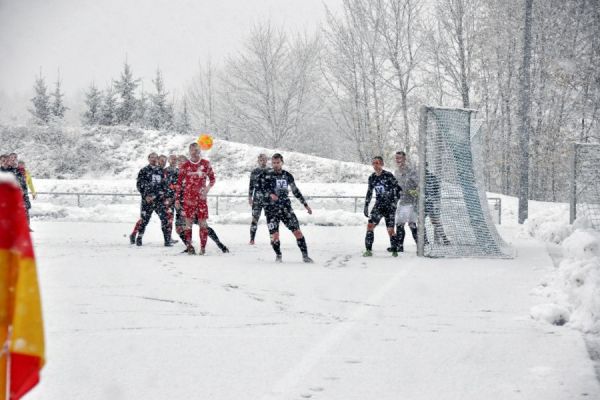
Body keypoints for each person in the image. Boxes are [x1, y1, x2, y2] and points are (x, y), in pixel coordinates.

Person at [260, 153, 313, 263]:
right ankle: (278, 256)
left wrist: (305, 205)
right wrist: (270, 194)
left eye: (278, 163)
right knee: (275, 236)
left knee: (298, 232)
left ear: (282, 162)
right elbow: (260, 190)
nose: (275, 165)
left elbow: (295, 191)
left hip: (286, 209)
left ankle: (305, 256)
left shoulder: (287, 175)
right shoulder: (266, 175)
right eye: (273, 163)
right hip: (271, 210)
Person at [174, 155, 229, 254]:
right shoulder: (176, 174)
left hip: (194, 203)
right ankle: (189, 246)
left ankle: (219, 244)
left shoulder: (192, 172)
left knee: (203, 226)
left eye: (182, 162)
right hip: (182, 206)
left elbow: (204, 183)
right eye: (178, 163)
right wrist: (175, 200)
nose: (180, 164)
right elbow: (172, 189)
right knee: (179, 228)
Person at [175, 143, 215, 255]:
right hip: (188, 199)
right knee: (188, 224)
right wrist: (177, 199)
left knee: (203, 224)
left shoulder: (206, 164)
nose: (195, 152)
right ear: (189, 151)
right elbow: (178, 184)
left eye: (197, 150)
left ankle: (203, 248)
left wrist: (207, 189)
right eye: (192, 150)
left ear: (200, 151)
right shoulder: (185, 166)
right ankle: (189, 247)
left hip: (201, 200)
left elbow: (212, 179)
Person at [363, 156, 402, 257]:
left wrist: (394, 202)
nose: (375, 165)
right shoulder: (372, 177)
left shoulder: (388, 175)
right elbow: (369, 192)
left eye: (377, 163)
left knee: (390, 230)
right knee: (370, 226)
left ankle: (394, 251)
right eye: (374, 163)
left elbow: (398, 189)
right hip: (379, 206)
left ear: (382, 164)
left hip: (389, 206)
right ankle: (368, 250)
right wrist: (366, 205)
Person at [132, 152, 171, 246]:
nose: (153, 159)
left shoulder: (161, 171)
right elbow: (139, 185)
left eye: (155, 157)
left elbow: (165, 185)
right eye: (151, 157)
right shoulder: (144, 170)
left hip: (159, 200)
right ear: (148, 159)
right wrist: (146, 196)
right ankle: (139, 238)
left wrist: (164, 195)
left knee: (165, 219)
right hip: (147, 201)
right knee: (144, 220)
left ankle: (167, 241)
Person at [391, 151, 419, 253]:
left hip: (411, 202)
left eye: (400, 158)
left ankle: (420, 246)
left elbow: (418, 184)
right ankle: (400, 246)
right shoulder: (396, 172)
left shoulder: (411, 171)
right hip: (402, 202)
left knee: (410, 224)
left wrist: (415, 192)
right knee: (400, 224)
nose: (398, 160)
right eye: (396, 158)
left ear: (404, 159)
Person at [424, 168, 450, 245]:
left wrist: (432, 199)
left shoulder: (431, 177)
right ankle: (425, 240)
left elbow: (436, 189)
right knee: (421, 222)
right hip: (423, 203)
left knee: (435, 221)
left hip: (429, 203)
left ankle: (444, 238)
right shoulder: (418, 176)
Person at [248, 153, 269, 245]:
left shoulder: (270, 171)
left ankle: (273, 238)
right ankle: (252, 239)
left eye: (264, 160)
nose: (263, 161)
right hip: (257, 199)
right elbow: (251, 185)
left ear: (266, 160)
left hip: (268, 199)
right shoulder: (254, 172)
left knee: (271, 219)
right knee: (254, 219)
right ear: (258, 161)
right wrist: (250, 197)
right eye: (261, 160)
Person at [163, 154, 179, 244]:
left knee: (181, 218)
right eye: (172, 159)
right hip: (168, 199)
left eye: (175, 159)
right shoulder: (165, 171)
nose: (174, 161)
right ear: (169, 160)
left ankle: (186, 236)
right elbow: (165, 183)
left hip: (178, 199)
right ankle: (168, 238)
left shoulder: (179, 170)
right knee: (169, 219)